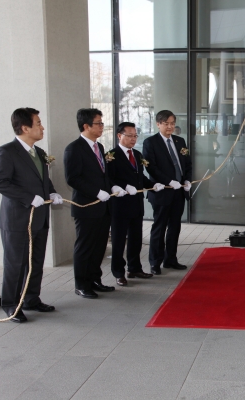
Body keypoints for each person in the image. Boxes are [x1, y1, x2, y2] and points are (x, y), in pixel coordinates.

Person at [0, 107, 63, 323]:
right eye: (38, 123)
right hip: (17, 220)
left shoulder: (39, 152)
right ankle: (11, 305)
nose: (42, 127)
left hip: (39, 218)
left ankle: (31, 298)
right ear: (25, 128)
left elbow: (43, 180)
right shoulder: (6, 152)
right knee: (16, 263)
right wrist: (28, 198)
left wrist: (52, 191)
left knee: (36, 261)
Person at [65, 108, 127, 299]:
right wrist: (96, 192)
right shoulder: (74, 148)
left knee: (99, 247)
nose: (102, 126)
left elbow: (103, 176)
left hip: (103, 207)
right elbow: (72, 178)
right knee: (85, 247)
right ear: (86, 126)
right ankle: (81, 284)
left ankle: (95, 280)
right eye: (99, 123)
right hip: (86, 207)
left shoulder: (99, 147)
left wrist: (113, 187)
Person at [106, 122, 165, 286]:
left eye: (135, 135)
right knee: (118, 241)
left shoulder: (137, 155)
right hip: (119, 206)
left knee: (136, 239)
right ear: (119, 136)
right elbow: (109, 179)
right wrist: (122, 187)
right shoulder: (111, 155)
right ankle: (118, 272)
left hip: (136, 205)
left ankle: (134, 268)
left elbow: (141, 179)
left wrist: (153, 185)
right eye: (130, 135)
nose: (133, 139)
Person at [143, 110, 192, 275]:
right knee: (159, 227)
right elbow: (151, 167)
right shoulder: (151, 142)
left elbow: (187, 164)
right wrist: (169, 181)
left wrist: (187, 180)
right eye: (166, 123)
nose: (170, 126)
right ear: (158, 124)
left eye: (172, 123)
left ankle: (170, 259)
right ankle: (155, 262)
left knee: (175, 227)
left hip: (179, 193)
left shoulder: (180, 141)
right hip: (162, 192)